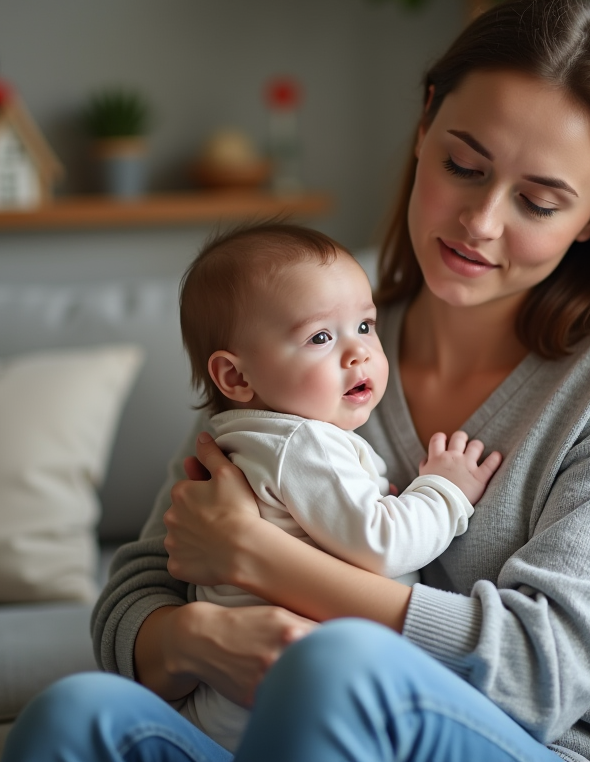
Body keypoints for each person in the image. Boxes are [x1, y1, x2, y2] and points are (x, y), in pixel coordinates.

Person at [3, 0, 590, 762]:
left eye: (538, 201)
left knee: (335, 669)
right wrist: (198, 638)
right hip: (272, 731)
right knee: (76, 715)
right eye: (464, 165)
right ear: (425, 123)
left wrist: (261, 560)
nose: (481, 221)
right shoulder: (306, 340)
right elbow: (137, 594)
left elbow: (539, 674)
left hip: (549, 748)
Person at [172, 223, 502, 751]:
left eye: (366, 327)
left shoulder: (244, 438)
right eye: (321, 337)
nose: (358, 354)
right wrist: (444, 489)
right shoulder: (300, 444)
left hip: (235, 702)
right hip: (293, 698)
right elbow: (382, 544)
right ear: (235, 378)